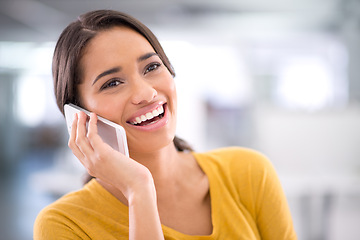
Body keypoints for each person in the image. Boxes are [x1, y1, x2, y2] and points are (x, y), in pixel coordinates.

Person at [34, 9, 297, 240]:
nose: (146, 93)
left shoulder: (248, 172)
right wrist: (139, 190)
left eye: (151, 67)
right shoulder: (65, 225)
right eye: (112, 83)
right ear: (78, 115)